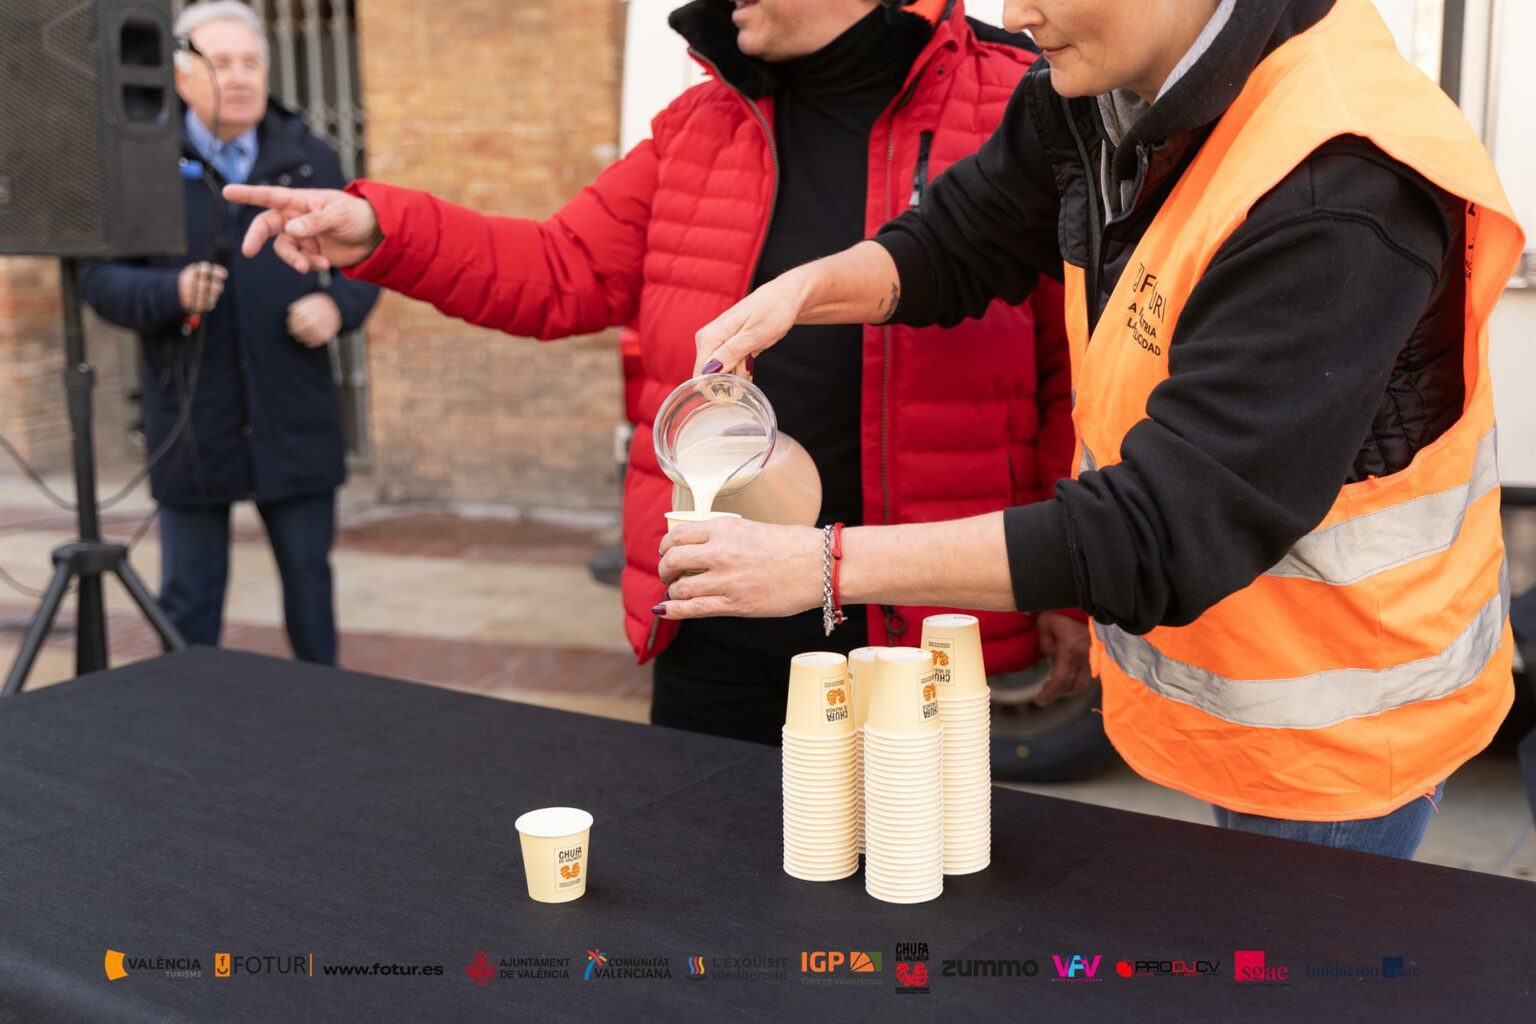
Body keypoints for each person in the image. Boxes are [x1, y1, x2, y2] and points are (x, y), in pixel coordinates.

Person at [634, 0, 1522, 858]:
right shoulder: (1107, 87)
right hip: (1218, 665)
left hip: (1341, 723)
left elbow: (1163, 529)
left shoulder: (1339, 184)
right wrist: (806, 290)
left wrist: (824, 566)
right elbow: (963, 236)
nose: (1015, 14)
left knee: (1294, 956)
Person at [224, 0, 1090, 743]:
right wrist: (383, 231)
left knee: (908, 873)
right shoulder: (700, 125)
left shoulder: (1016, 99)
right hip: (717, 605)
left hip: (915, 617)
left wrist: (1068, 581)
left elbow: (1075, 369)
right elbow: (559, 268)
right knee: (698, 863)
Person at [81, 1, 379, 665]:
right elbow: (98, 280)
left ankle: (322, 710)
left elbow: (369, 262)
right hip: (193, 420)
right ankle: (188, 717)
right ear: (180, 76)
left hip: (293, 414)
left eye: (251, 63)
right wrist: (169, 292)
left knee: (310, 588)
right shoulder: (144, 165)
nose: (239, 77)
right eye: (220, 63)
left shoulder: (310, 158)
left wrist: (337, 308)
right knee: (189, 601)